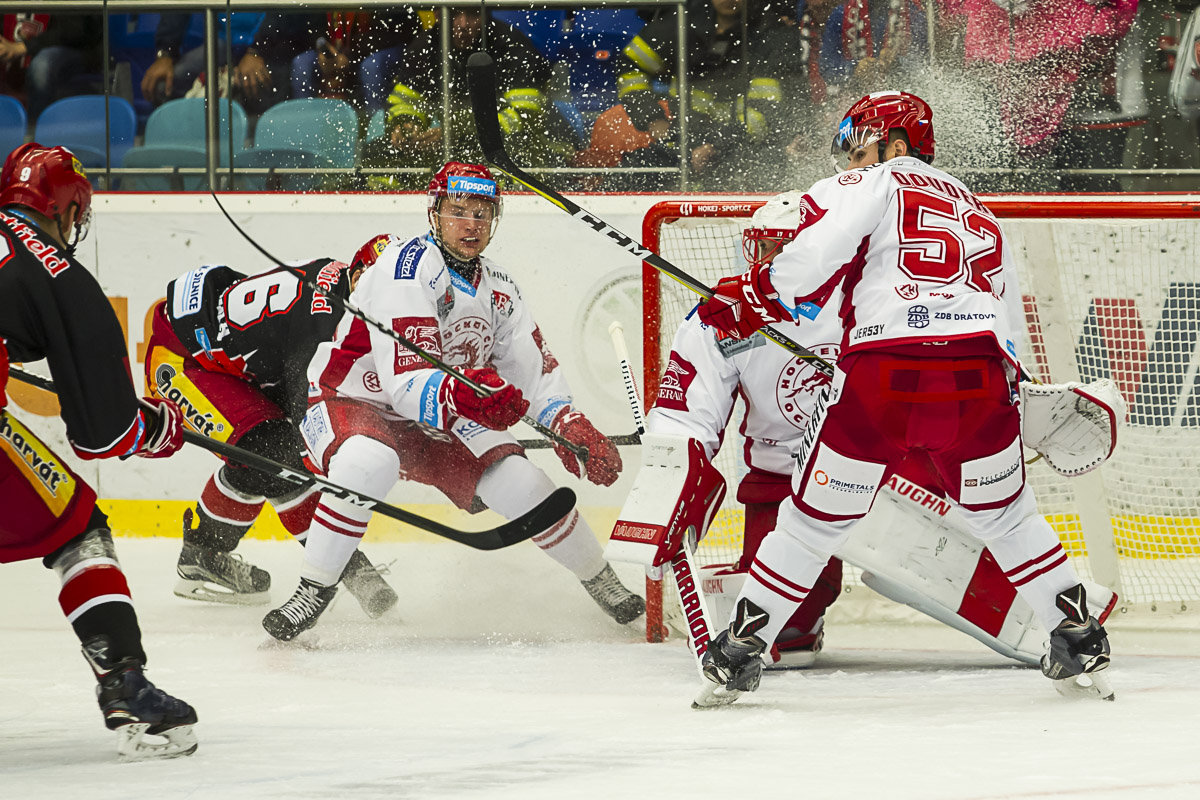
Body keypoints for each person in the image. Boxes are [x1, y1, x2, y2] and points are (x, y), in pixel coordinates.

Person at [692, 92, 1115, 706]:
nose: (851, 164)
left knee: (812, 525)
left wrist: (753, 294)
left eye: (859, 149)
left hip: (884, 377)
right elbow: (1005, 320)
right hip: (979, 383)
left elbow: (813, 255)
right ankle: (1078, 636)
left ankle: (738, 652)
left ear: (895, 144)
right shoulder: (978, 209)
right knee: (1009, 519)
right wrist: (1013, 396)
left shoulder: (871, 182)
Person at [610, 191, 1117, 670]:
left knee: (979, 536)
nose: (775, 263)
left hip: (896, 469)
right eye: (767, 249)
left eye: (790, 250)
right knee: (789, 636)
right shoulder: (724, 316)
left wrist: (1017, 402)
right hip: (784, 478)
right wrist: (675, 470)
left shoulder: (878, 301)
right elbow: (684, 414)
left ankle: (1063, 615)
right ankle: (791, 620)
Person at [267, 161, 644, 641]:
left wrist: (567, 424)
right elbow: (405, 383)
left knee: (526, 484)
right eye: (458, 211)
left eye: (482, 214)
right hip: (355, 399)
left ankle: (602, 580)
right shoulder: (405, 267)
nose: (471, 224)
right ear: (435, 212)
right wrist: (468, 393)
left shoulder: (501, 288)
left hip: (440, 411)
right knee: (369, 462)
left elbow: (532, 375)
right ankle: (313, 589)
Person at [0, 143, 196, 759]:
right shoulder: (55, 271)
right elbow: (104, 433)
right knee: (78, 529)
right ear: (64, 208)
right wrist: (156, 429)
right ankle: (126, 685)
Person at [143, 238, 399, 615]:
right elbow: (310, 414)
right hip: (183, 361)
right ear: (358, 275)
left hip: (229, 358)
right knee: (276, 455)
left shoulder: (345, 291)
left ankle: (202, 553)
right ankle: (353, 571)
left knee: (259, 455)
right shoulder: (325, 321)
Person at [587, 0, 795, 190]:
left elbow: (763, 112)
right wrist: (651, 117)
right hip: (680, 144)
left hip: (744, 150)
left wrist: (717, 146)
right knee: (618, 185)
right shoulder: (681, 22)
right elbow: (631, 67)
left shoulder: (771, 34)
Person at [362, 9, 580, 191]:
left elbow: (524, 116)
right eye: (455, 14)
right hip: (458, 142)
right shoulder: (425, 45)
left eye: (473, 15)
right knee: (378, 152)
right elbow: (404, 100)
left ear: (486, 16)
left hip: (524, 144)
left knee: (510, 150)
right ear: (438, 14)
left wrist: (454, 131)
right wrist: (407, 125)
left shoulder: (513, 45)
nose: (463, 24)